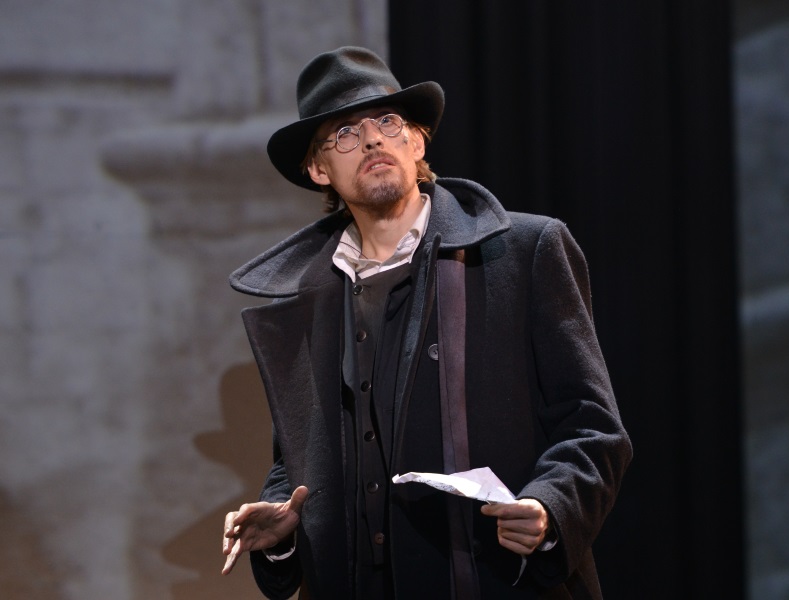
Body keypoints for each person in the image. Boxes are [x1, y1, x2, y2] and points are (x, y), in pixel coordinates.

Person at [221, 46, 631, 600]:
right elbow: (297, 462)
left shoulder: (524, 251)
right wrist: (281, 531)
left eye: (388, 121)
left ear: (416, 142)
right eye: (345, 133)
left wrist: (549, 506)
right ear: (319, 170)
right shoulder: (310, 298)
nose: (372, 140)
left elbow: (592, 427)